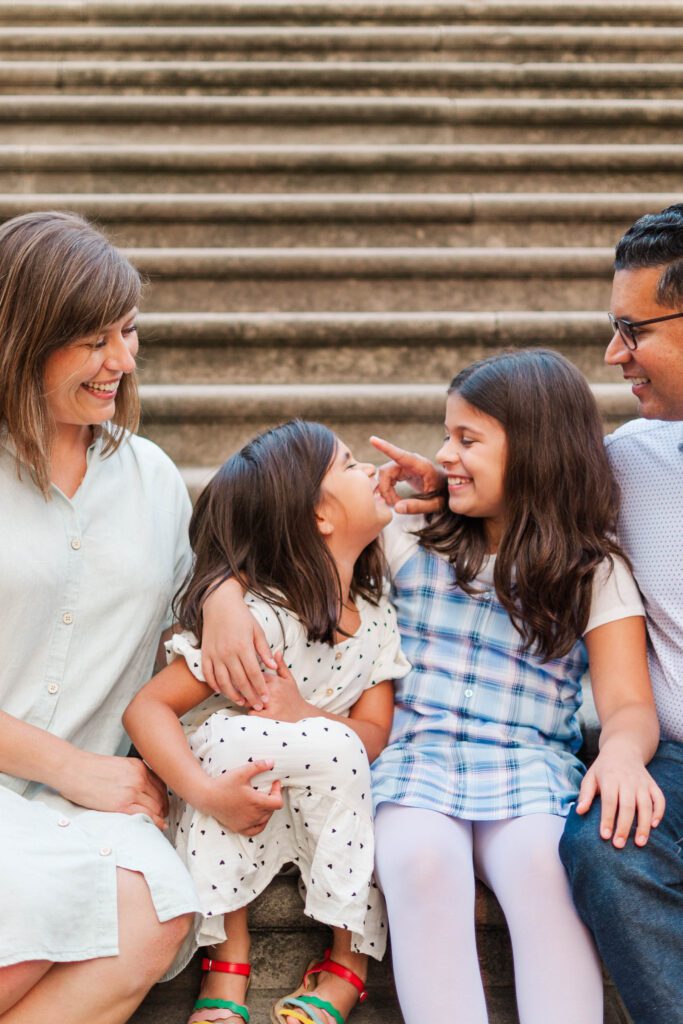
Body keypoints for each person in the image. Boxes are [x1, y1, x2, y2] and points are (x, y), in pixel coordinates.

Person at [199, 350, 664, 1024]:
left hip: (528, 769)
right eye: (447, 434)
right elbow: (264, 532)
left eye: (466, 439)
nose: (443, 453)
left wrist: (620, 752)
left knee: (546, 872)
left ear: (536, 453)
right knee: (419, 864)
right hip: (410, 763)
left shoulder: (592, 570)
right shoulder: (409, 535)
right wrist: (220, 594)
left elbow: (625, 705)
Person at [0, 211, 281, 1024]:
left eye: (127, 332)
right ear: (25, 336)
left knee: (155, 912)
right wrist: (69, 766)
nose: (121, 361)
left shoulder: (151, 476)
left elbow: (189, 597)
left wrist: (223, 589)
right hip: (63, 782)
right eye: (93, 339)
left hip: (95, 804)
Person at [124, 420, 410, 1024]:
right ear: (320, 517)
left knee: (346, 749)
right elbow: (145, 709)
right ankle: (226, 961)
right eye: (351, 463)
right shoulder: (258, 621)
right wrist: (203, 792)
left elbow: (376, 735)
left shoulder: (380, 621)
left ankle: (347, 961)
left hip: (334, 807)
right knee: (229, 734)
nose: (367, 471)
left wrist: (306, 715)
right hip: (235, 806)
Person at [557, 205, 683, 1024]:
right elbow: (513, 509)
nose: (614, 355)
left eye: (631, 328)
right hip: (673, 763)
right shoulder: (626, 462)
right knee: (604, 843)